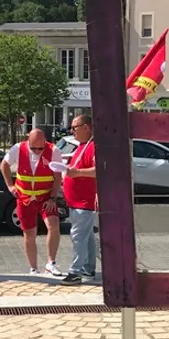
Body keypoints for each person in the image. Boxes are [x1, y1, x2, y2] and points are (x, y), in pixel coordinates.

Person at [0, 127, 64, 276]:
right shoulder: (18, 148)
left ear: (45, 142)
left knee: (53, 225)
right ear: (28, 141)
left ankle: (51, 263)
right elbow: (4, 165)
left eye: (40, 148)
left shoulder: (53, 150)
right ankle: (33, 268)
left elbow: (57, 176)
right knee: (29, 233)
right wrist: (10, 185)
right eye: (33, 148)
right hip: (25, 198)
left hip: (45, 197)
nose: (37, 151)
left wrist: (52, 198)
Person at [60, 114, 97, 285]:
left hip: (84, 202)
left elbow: (99, 170)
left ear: (86, 127)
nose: (71, 131)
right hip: (76, 202)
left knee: (78, 236)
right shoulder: (82, 146)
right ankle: (88, 268)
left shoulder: (93, 146)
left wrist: (77, 173)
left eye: (74, 127)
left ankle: (75, 272)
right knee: (87, 236)